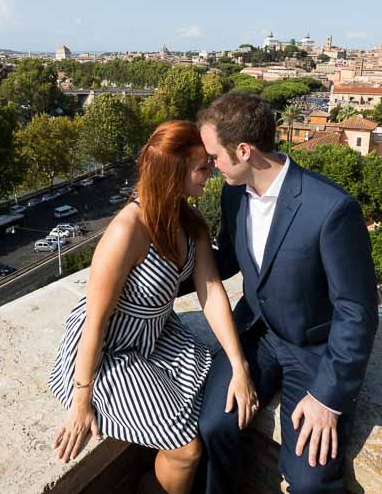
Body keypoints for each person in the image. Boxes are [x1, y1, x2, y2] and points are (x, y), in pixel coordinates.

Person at [48, 120, 259, 494]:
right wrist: (82, 399)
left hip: (154, 335)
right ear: (173, 171)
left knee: (206, 398)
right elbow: (96, 320)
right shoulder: (127, 231)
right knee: (187, 450)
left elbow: (210, 291)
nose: (210, 172)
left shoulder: (190, 222)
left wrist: (239, 364)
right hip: (109, 350)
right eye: (201, 167)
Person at [193, 93, 379, 494]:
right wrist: (155, 274)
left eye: (214, 156)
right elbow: (227, 260)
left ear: (244, 151)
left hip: (315, 351)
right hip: (258, 334)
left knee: (310, 479)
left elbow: (357, 311)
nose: (210, 166)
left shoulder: (331, 208)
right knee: (213, 425)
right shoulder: (232, 194)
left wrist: (328, 398)